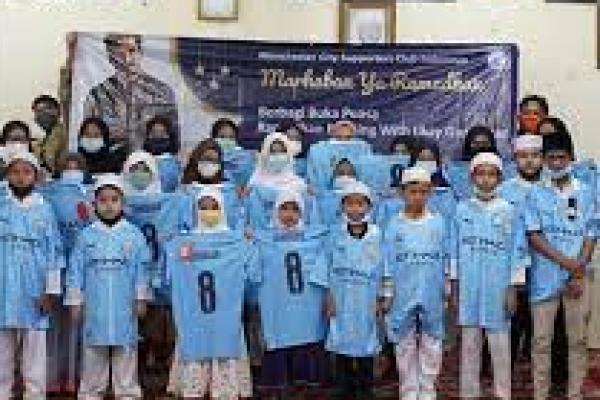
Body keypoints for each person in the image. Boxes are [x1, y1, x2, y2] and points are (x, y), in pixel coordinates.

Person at [65, 174, 151, 400]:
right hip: (95, 307)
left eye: (114, 199)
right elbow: (75, 270)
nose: (109, 205)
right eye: (103, 200)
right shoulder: (86, 236)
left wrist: (141, 297)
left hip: (125, 306)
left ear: (123, 202)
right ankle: (91, 393)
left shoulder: (134, 235)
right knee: (93, 352)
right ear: (94, 204)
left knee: (126, 350)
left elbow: (142, 269)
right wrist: (75, 300)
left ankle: (127, 393)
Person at [525, 130, 597, 400]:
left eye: (561, 157)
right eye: (551, 158)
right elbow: (534, 235)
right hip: (544, 276)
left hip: (578, 277)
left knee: (577, 340)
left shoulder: (587, 192)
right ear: (544, 160)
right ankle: (540, 394)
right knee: (541, 341)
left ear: (571, 158)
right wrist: (567, 263)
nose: (556, 163)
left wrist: (578, 270)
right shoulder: (534, 193)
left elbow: (591, 232)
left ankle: (575, 394)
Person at [165, 188, 255, 400]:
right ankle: (194, 385)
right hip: (196, 311)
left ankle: (225, 387)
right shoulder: (185, 243)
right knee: (195, 337)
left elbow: (252, 271)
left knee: (225, 337)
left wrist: (249, 242)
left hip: (225, 310)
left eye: (214, 207)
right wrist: (170, 244)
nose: (208, 212)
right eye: (203, 207)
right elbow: (173, 271)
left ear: (222, 209)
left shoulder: (235, 241)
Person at [452, 152, 525, 400]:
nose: (485, 179)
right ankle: (469, 393)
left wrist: (513, 288)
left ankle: (502, 393)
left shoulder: (509, 211)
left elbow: (517, 251)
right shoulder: (461, 209)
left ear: (499, 178)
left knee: (500, 344)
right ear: (472, 177)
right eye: (481, 174)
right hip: (469, 286)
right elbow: (453, 251)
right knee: (469, 344)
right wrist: (455, 286)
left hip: (498, 287)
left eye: (491, 174)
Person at [121, 151, 192, 395]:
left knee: (164, 328)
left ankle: (163, 373)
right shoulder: (117, 202)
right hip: (128, 278)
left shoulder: (172, 202)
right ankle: (136, 375)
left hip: (165, 278)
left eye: (145, 169)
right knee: (135, 328)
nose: (140, 174)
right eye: (134, 169)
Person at [253, 191, 329, 399]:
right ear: (275, 211)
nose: (289, 214)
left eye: (295, 209)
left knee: (308, 336)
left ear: (302, 212)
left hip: (307, 303)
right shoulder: (262, 239)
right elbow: (254, 272)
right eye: (284, 208)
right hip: (278, 303)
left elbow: (325, 264)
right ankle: (279, 384)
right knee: (279, 337)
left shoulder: (317, 238)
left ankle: (307, 383)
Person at [0, 150, 63, 399]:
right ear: (7, 174)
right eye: (15, 171)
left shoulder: (45, 210)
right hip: (3, 287)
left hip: (35, 288)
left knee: (34, 346)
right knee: (2, 346)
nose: (20, 177)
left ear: (35, 176)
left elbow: (54, 252)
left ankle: (34, 392)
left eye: (27, 172)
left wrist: (51, 290)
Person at [384, 167, 448, 400]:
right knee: (404, 343)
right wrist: (387, 291)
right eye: (413, 192)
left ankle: (428, 388)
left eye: (423, 192)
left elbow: (446, 256)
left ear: (429, 193)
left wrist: (446, 286)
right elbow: (387, 261)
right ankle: (409, 390)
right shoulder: (393, 225)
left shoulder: (438, 223)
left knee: (432, 341)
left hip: (431, 289)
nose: (418, 197)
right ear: (402, 192)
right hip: (402, 291)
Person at [326, 180, 388, 400]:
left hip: (367, 296)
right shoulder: (335, 233)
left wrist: (383, 296)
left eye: (360, 204)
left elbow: (385, 266)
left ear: (369, 206)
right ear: (342, 206)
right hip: (341, 295)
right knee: (341, 339)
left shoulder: (377, 234)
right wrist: (329, 297)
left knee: (366, 341)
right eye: (350, 203)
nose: (355, 209)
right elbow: (326, 265)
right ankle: (344, 385)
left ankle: (365, 386)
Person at [41, 152, 93, 394]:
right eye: (67, 167)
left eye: (76, 167)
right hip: (56, 267)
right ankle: (52, 375)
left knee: (79, 323)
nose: (72, 171)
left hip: (85, 270)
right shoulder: (47, 195)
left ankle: (77, 375)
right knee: (54, 325)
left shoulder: (91, 195)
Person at [83, 33, 179, 151]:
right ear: (110, 57)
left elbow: (174, 140)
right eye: (119, 54)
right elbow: (88, 140)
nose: (127, 59)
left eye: (132, 51)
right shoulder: (97, 96)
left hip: (150, 160)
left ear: (140, 52)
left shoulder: (162, 92)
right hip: (112, 160)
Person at [498, 135, 544, 367]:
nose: (529, 161)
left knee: (541, 319)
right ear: (515, 159)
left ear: (542, 158)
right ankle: (504, 366)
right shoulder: (504, 190)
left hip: (545, 263)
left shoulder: (550, 188)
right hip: (512, 263)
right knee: (513, 315)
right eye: (523, 156)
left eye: (535, 156)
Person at [246, 132, 319, 231]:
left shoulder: (296, 181)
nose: (278, 156)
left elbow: (308, 213)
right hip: (266, 232)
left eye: (282, 152)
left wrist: (307, 189)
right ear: (266, 153)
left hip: (296, 234)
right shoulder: (256, 181)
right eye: (273, 152)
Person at [182, 138, 246, 230]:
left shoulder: (230, 191)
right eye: (206, 159)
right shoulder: (186, 191)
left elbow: (239, 221)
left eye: (214, 161)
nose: (210, 164)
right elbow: (180, 224)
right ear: (196, 160)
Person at [306, 120, 372, 191]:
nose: (343, 141)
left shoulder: (362, 148)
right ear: (332, 135)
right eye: (338, 137)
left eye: (348, 137)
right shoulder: (319, 150)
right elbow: (313, 181)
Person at [210, 118, 255, 187]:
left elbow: (246, 181)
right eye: (222, 137)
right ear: (213, 138)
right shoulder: (204, 156)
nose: (227, 141)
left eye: (231, 137)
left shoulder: (245, 158)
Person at [143, 115, 181, 193]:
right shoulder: (140, 160)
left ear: (169, 136)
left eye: (162, 133)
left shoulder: (174, 164)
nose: (157, 136)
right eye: (154, 132)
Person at [31, 94, 67, 176]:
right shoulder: (41, 141)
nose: (42, 114)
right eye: (38, 111)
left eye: (47, 109)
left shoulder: (66, 134)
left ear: (58, 111)